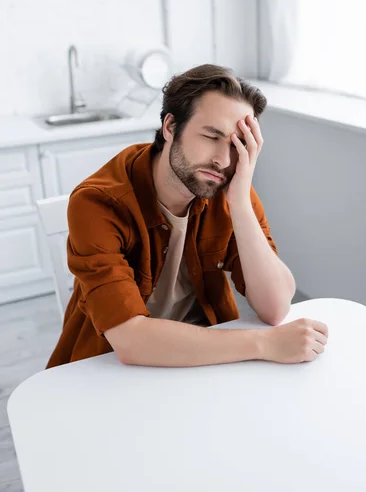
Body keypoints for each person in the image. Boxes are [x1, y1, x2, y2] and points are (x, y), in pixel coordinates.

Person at [47, 64, 328, 368]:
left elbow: (275, 307)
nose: (223, 160)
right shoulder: (98, 203)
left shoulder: (230, 190)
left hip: (208, 358)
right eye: (211, 136)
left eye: (237, 144)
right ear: (170, 127)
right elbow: (130, 340)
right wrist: (262, 343)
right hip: (110, 367)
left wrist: (241, 205)